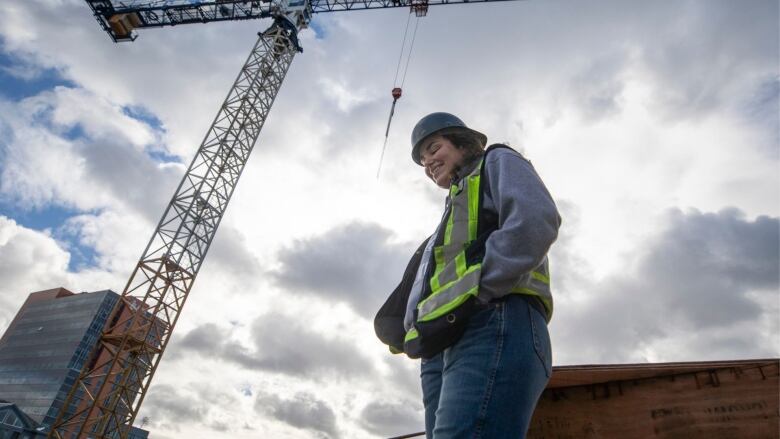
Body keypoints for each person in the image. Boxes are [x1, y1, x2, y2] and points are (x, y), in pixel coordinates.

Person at [374, 112, 561, 438]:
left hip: (493, 320)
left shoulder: (497, 161)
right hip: (443, 343)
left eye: (433, 148)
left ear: (462, 142)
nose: (428, 162)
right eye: (422, 160)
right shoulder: (452, 212)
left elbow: (534, 221)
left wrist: (478, 291)